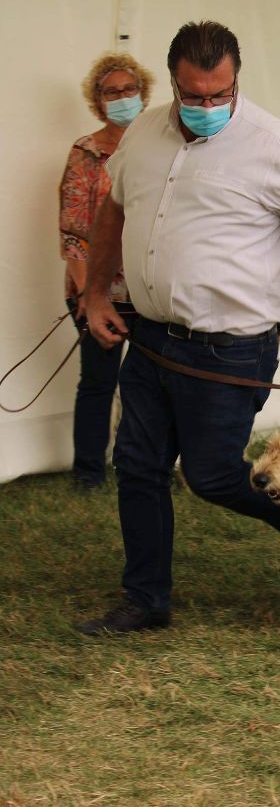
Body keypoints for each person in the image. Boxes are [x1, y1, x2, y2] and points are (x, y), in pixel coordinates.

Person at [77, 20, 280, 635]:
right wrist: (95, 291)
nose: (208, 107)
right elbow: (112, 214)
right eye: (195, 96)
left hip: (231, 348)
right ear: (176, 83)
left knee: (213, 475)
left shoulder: (276, 147)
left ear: (236, 81)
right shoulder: (143, 134)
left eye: (221, 95)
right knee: (137, 466)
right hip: (152, 337)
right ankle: (146, 600)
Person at [59, 52, 154, 488]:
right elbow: (74, 233)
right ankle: (88, 473)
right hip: (97, 292)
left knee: (148, 388)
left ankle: (142, 465)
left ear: (143, 93)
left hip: (148, 294)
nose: (121, 98)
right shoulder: (85, 153)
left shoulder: (156, 147)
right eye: (110, 91)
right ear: (98, 101)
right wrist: (86, 296)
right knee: (98, 383)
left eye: (128, 89)